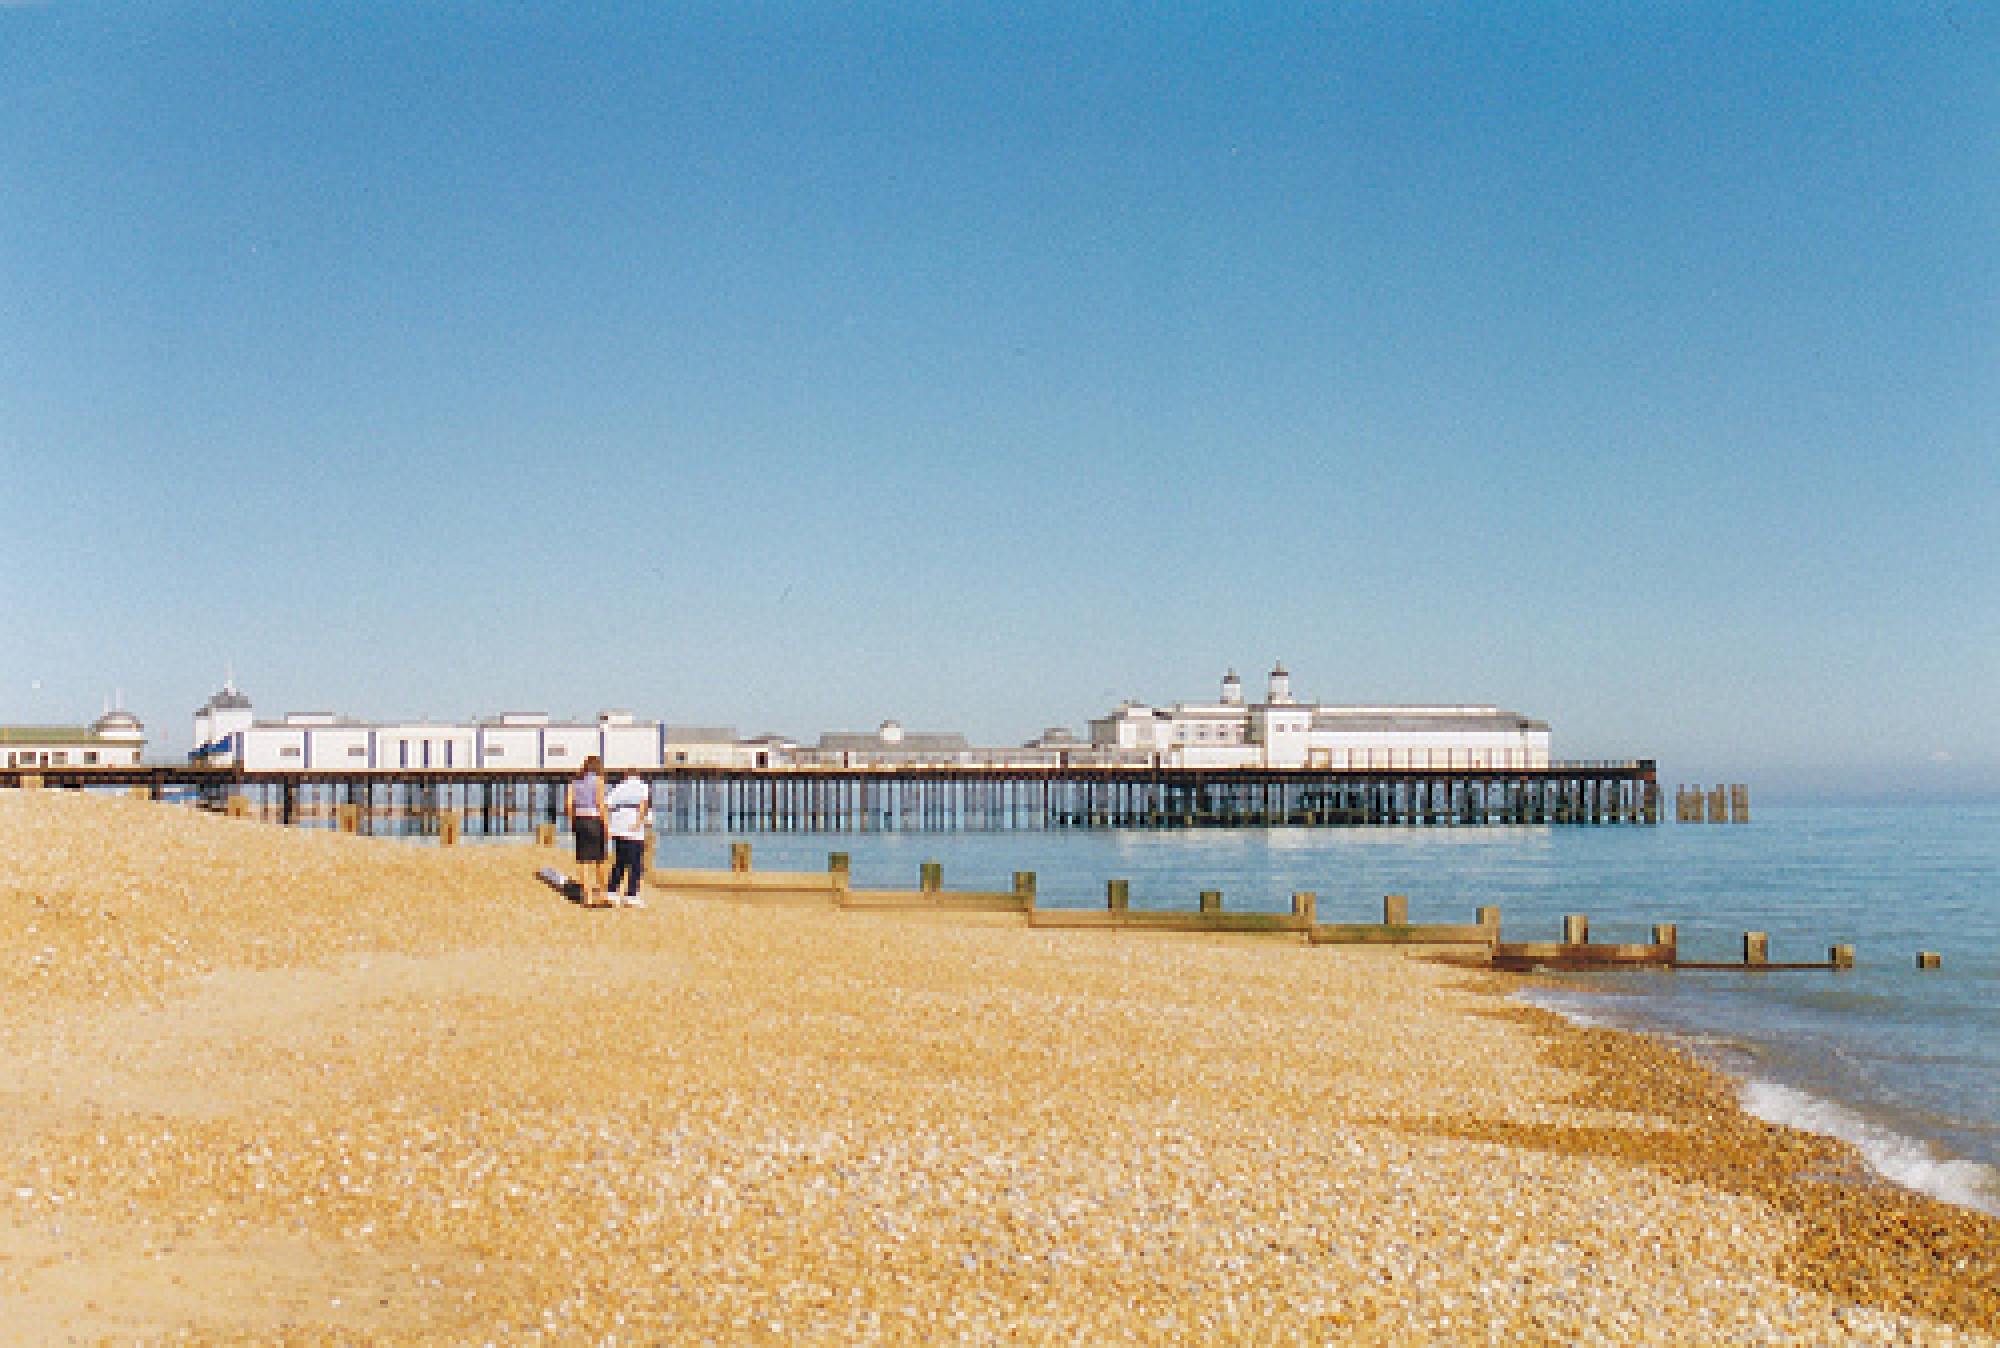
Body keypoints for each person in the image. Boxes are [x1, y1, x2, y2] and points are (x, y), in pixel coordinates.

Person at [603, 767, 652, 909]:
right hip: (633, 829)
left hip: (618, 828)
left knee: (619, 861)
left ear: (626, 776)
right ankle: (631, 896)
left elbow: (606, 805)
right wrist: (639, 822)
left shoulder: (618, 787)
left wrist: (608, 826)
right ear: (638, 776)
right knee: (635, 863)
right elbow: (643, 806)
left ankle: (612, 892)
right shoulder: (642, 786)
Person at [566, 754, 609, 907]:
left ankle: (588, 898)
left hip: (580, 820)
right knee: (600, 860)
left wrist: (572, 822)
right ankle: (603, 895)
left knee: (583, 861)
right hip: (595, 820)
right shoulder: (599, 780)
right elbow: (600, 802)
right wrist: (606, 825)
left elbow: (569, 804)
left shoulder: (575, 781)